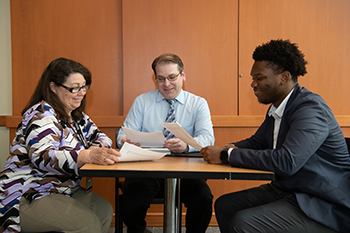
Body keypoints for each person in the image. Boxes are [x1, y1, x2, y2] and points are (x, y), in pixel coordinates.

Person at [201, 39, 350, 233]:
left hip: (324, 204)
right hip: (293, 190)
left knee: (244, 222)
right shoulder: (278, 107)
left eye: (260, 77)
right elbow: (258, 142)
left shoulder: (310, 108)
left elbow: (287, 161)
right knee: (225, 206)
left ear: (284, 77)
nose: (253, 84)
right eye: (253, 77)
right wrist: (230, 146)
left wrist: (226, 155)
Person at [0, 57, 121, 233]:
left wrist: (95, 148)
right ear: (53, 87)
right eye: (74, 88)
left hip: (62, 188)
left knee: (103, 210)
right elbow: (43, 157)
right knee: (87, 224)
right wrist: (85, 155)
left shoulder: (77, 117)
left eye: (84, 86)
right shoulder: (41, 114)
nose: (81, 92)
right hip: (28, 191)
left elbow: (102, 137)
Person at [117, 53, 215, 233]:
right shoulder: (142, 101)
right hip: (147, 168)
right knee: (131, 203)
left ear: (183, 75)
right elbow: (122, 132)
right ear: (155, 78)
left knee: (203, 198)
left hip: (186, 170)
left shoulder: (198, 103)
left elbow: (207, 138)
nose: (167, 84)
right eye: (160, 79)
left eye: (172, 77)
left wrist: (187, 145)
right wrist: (124, 139)